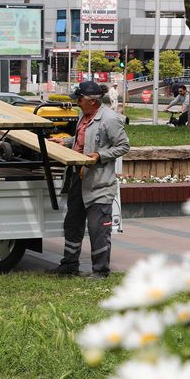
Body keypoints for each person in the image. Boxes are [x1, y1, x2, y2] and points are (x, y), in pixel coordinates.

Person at [49, 81, 130, 279]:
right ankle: (69, 265)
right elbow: (82, 141)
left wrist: (100, 156)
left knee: (98, 229)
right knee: (72, 224)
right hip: (78, 178)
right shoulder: (84, 115)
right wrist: (65, 142)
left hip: (99, 183)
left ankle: (100, 271)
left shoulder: (110, 119)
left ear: (92, 101)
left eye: (79, 99)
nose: (76, 102)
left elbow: (123, 146)